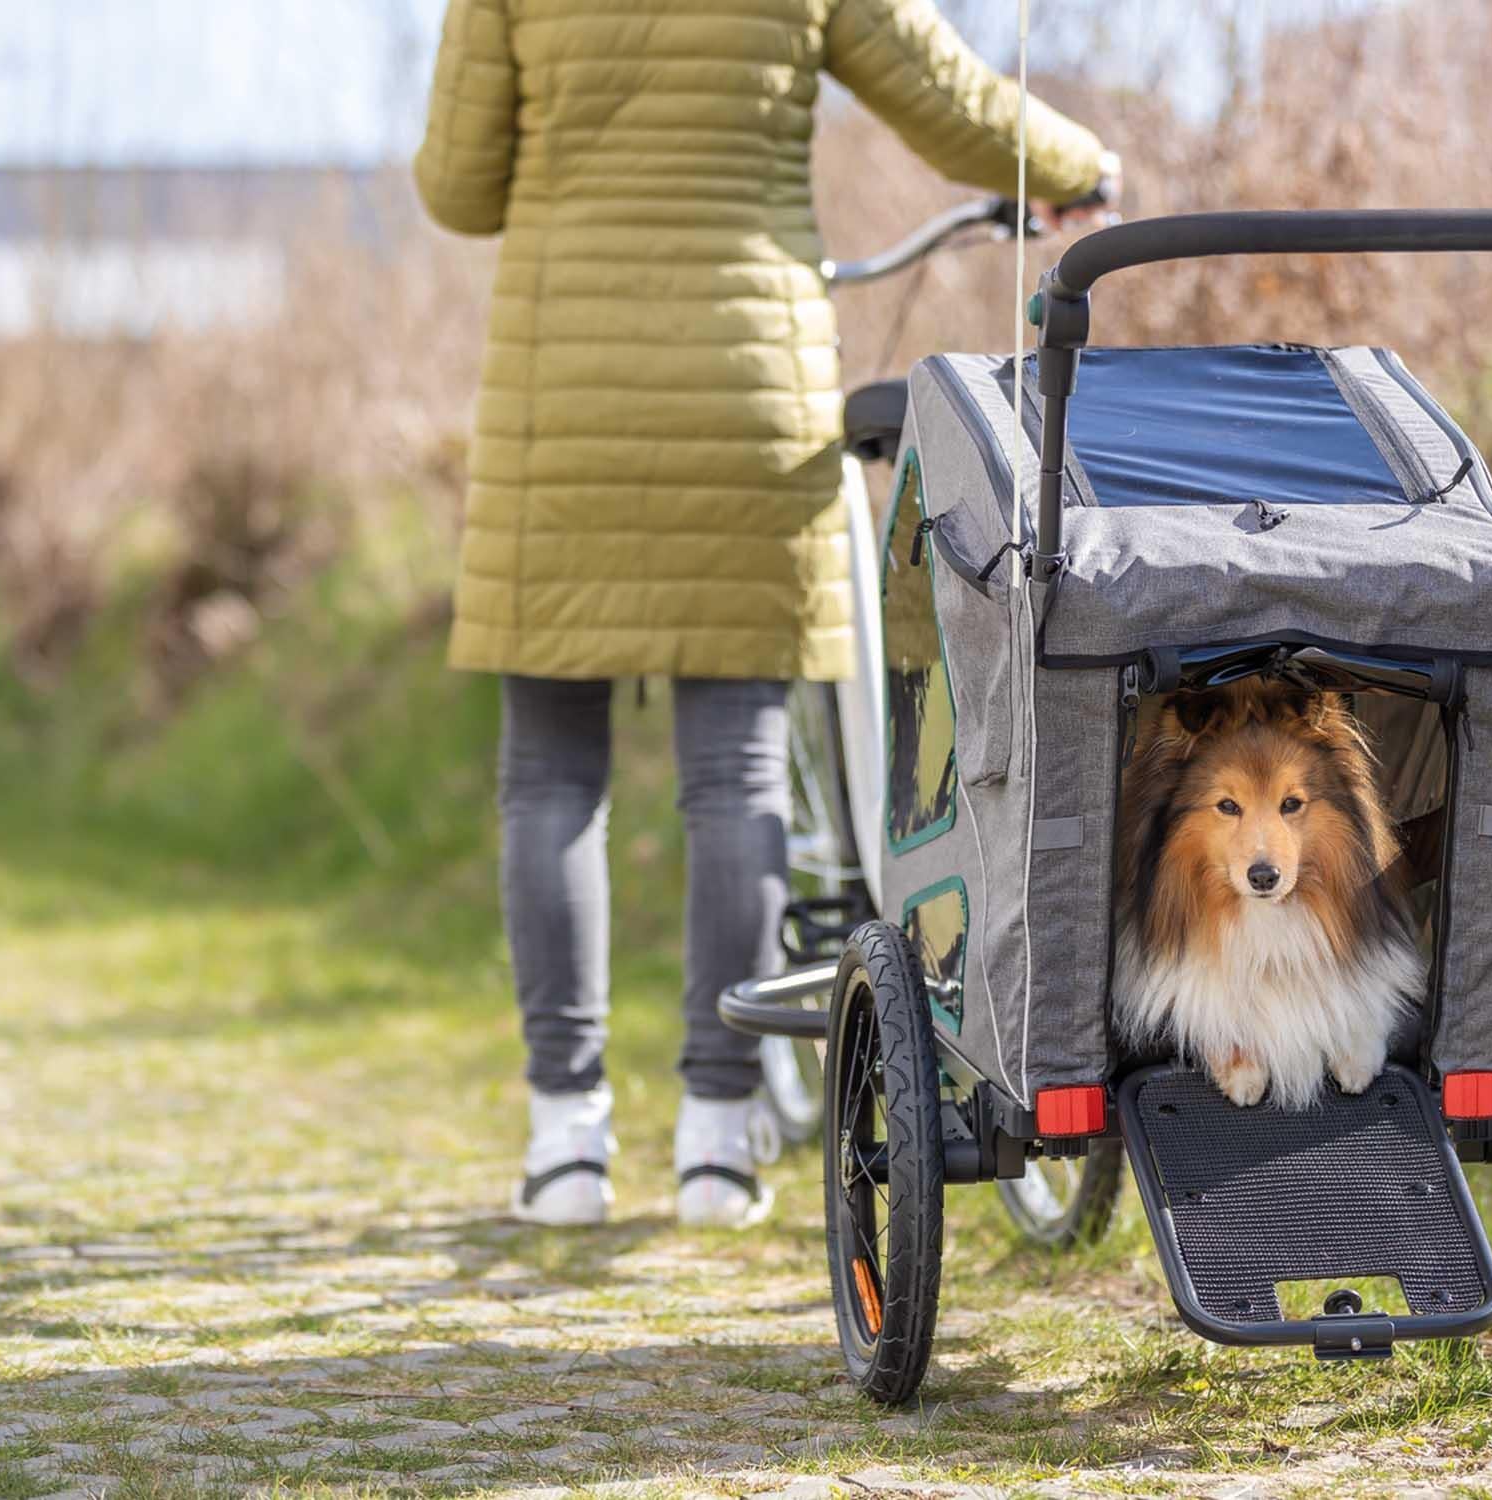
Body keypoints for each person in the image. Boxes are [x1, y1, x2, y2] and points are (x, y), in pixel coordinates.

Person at [414, 0, 1117, 1228]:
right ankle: (715, 1139)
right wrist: (1077, 168)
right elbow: (944, 94)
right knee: (733, 777)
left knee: (550, 779)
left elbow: (459, 187)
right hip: (743, 390)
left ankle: (566, 1144)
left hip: (561, 399)